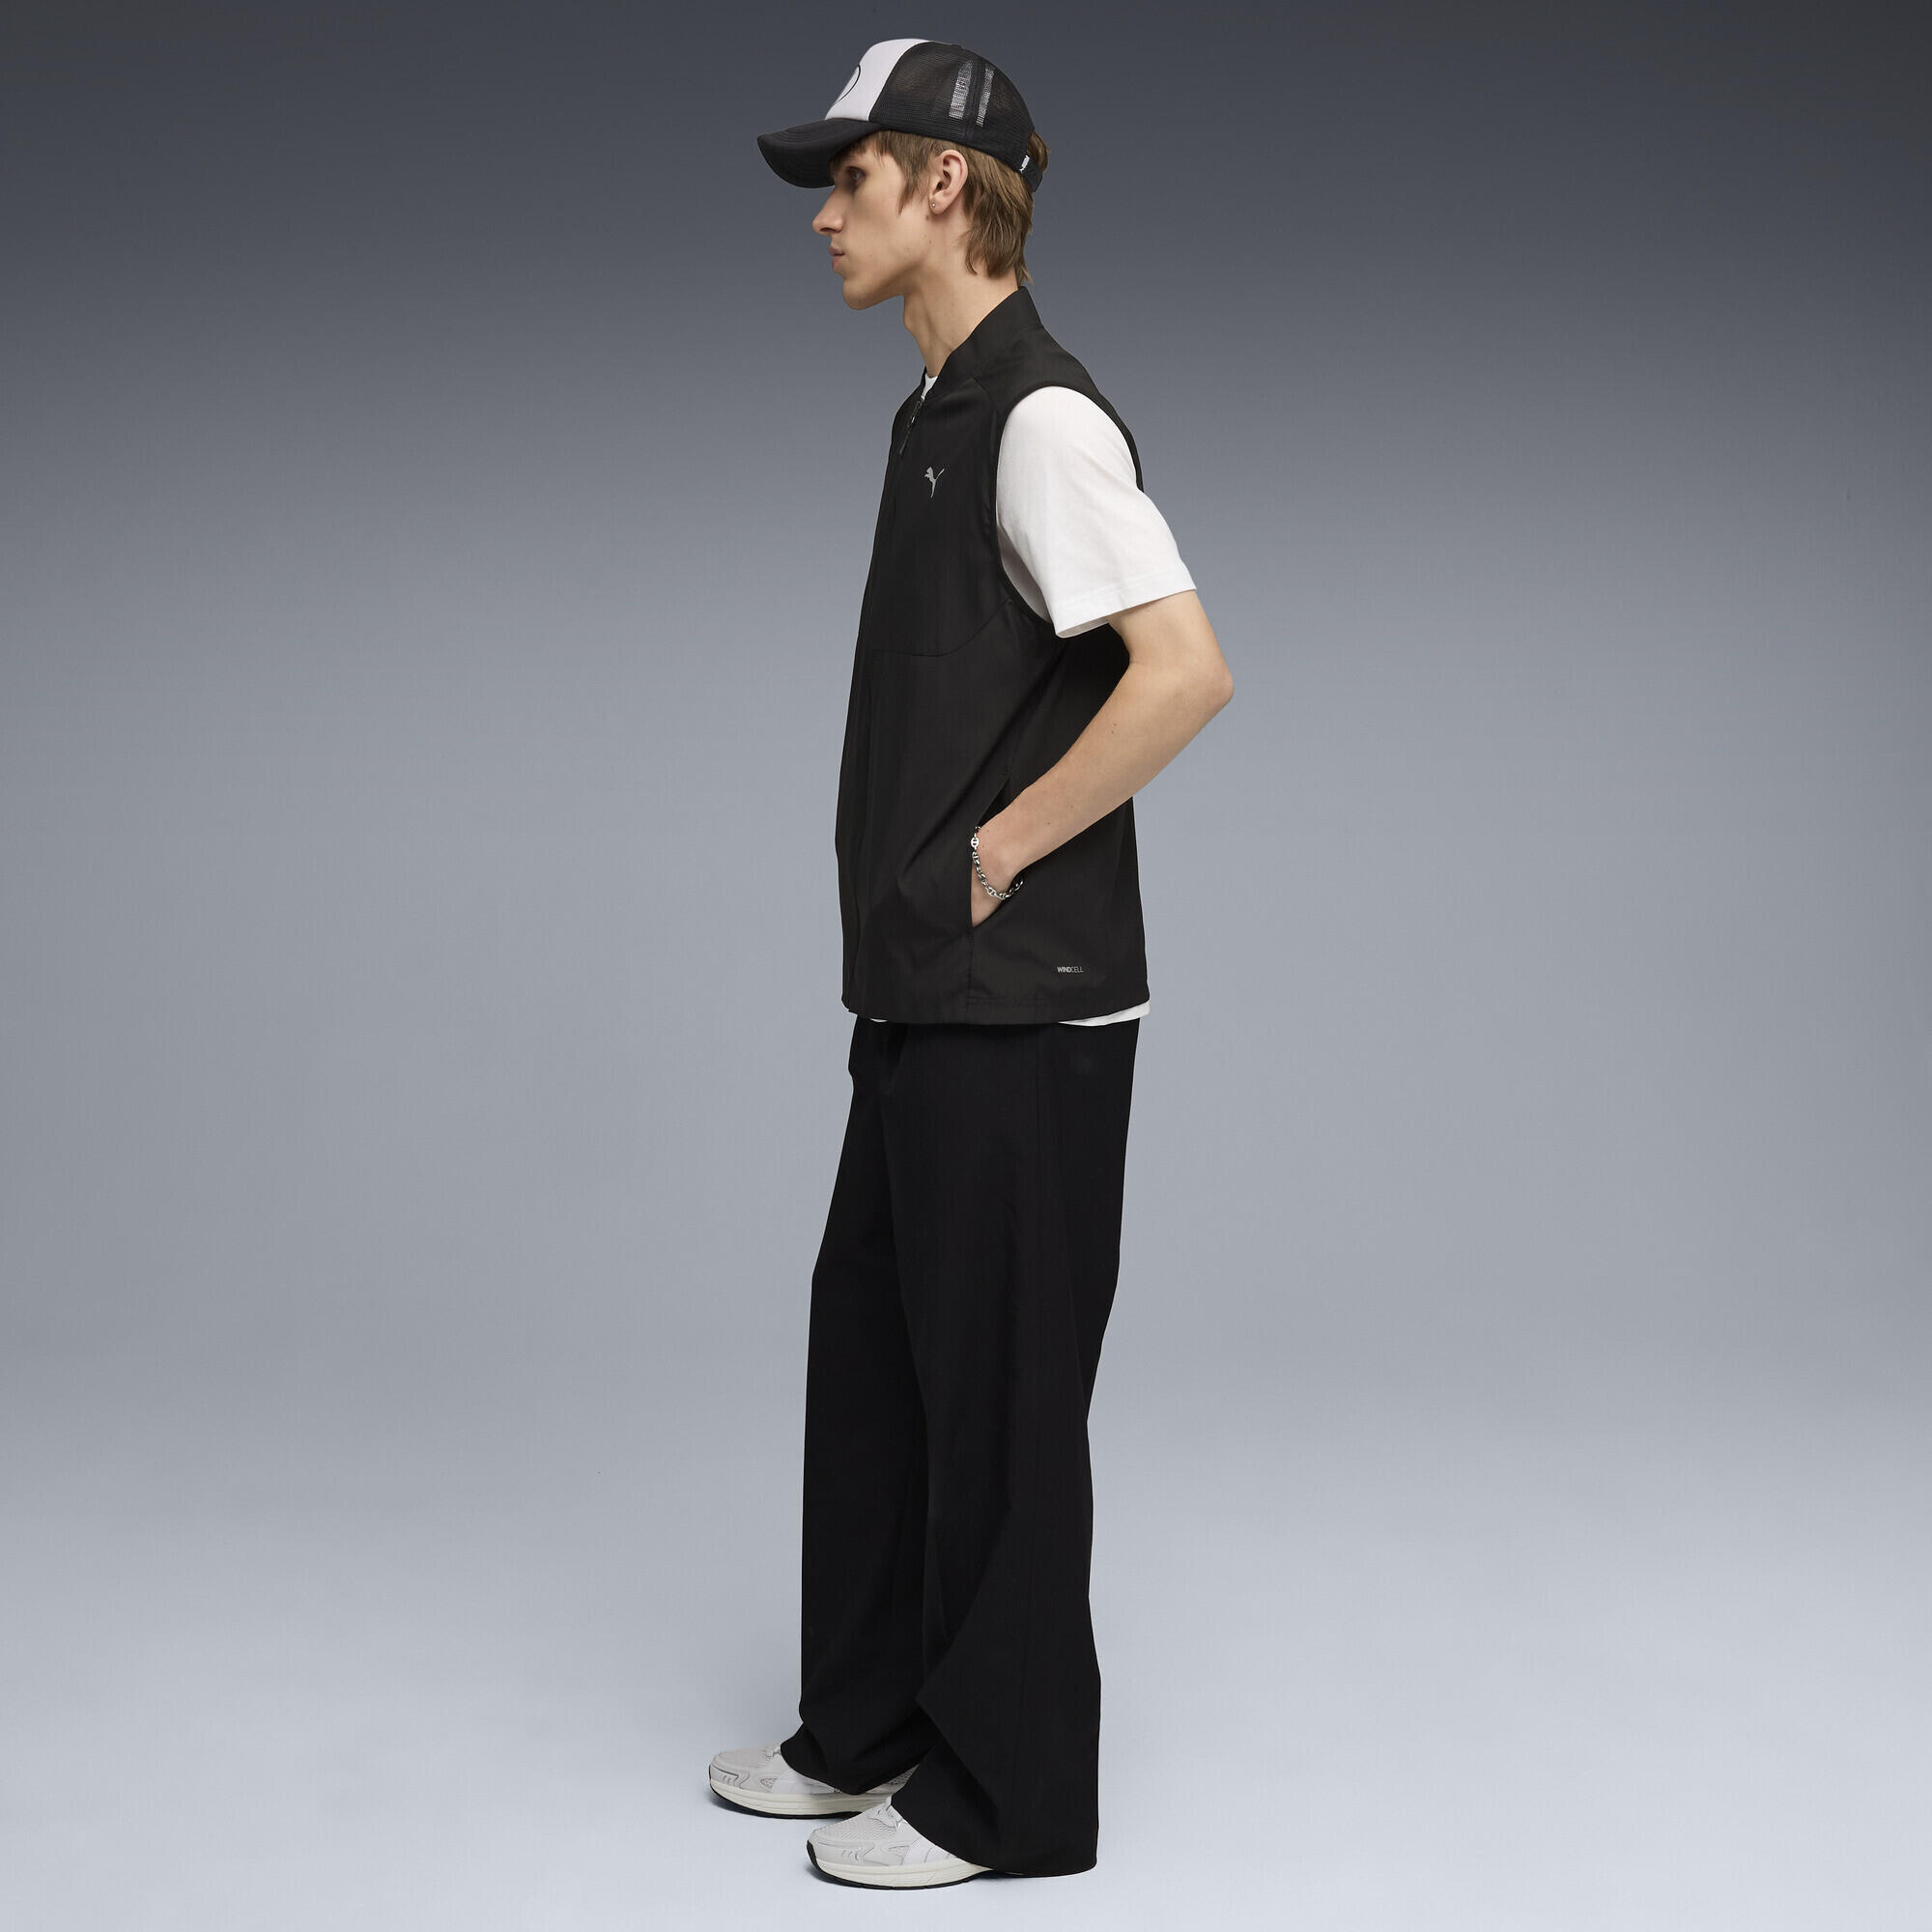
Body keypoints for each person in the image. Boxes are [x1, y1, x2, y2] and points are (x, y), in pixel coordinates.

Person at [709, 39, 1234, 1889]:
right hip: (929, 996)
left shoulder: (1040, 421)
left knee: (1001, 1402)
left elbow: (1185, 670)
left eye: (850, 178)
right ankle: (866, 1730)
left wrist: (1003, 851)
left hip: (1026, 1015)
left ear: (947, 182)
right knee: (875, 1361)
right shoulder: (936, 413)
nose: (824, 216)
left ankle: (1008, 1800)